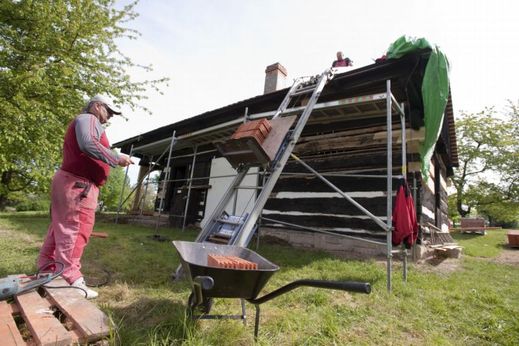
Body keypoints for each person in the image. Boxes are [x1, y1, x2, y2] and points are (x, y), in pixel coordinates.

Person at [37, 95, 133, 299]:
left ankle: (47, 270)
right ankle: (71, 279)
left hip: (70, 182)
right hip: (78, 185)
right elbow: (88, 143)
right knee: (76, 229)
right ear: (97, 106)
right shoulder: (88, 119)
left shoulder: (85, 121)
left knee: (59, 229)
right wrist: (116, 157)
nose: (109, 118)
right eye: (109, 112)